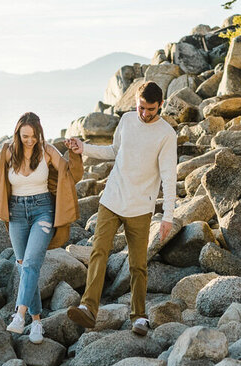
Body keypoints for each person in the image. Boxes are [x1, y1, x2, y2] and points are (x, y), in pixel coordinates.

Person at [0, 112, 82, 344]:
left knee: (29, 264)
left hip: (43, 211)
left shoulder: (47, 151)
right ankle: (37, 322)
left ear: (40, 134)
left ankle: (19, 315)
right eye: (25, 136)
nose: (30, 140)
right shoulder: (7, 153)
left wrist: (75, 155)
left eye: (34, 136)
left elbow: (71, 174)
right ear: (18, 134)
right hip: (17, 214)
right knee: (25, 267)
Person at [65, 81, 176, 336]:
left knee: (138, 264)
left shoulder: (166, 134)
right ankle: (88, 309)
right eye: (141, 108)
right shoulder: (126, 120)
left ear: (160, 105)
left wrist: (168, 216)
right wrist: (85, 149)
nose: (145, 114)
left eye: (150, 109)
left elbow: (169, 177)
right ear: (135, 102)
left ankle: (139, 317)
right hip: (112, 199)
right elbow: (115, 151)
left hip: (140, 206)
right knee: (98, 251)